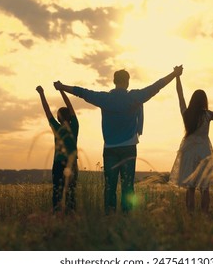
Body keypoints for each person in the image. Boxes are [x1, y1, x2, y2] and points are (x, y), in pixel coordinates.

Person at [54, 65, 183, 214]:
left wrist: (62, 86)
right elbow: (156, 86)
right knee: (128, 186)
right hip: (128, 148)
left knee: (110, 187)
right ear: (127, 82)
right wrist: (174, 74)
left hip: (110, 149)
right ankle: (126, 217)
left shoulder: (104, 98)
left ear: (114, 81)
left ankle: (109, 216)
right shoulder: (134, 97)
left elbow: (82, 93)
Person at [169, 75, 213, 213]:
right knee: (205, 187)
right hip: (204, 151)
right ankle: (204, 213)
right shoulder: (208, 114)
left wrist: (177, 77)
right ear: (204, 101)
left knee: (190, 187)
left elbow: (180, 95)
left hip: (188, 150)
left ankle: (190, 213)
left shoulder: (186, 113)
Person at [36, 85, 79, 214]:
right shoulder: (75, 126)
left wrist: (42, 94)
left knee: (57, 192)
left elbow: (47, 110)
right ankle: (71, 216)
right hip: (72, 163)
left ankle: (57, 215)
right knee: (71, 192)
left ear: (59, 118)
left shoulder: (57, 127)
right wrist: (61, 90)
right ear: (70, 117)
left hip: (58, 163)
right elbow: (71, 108)